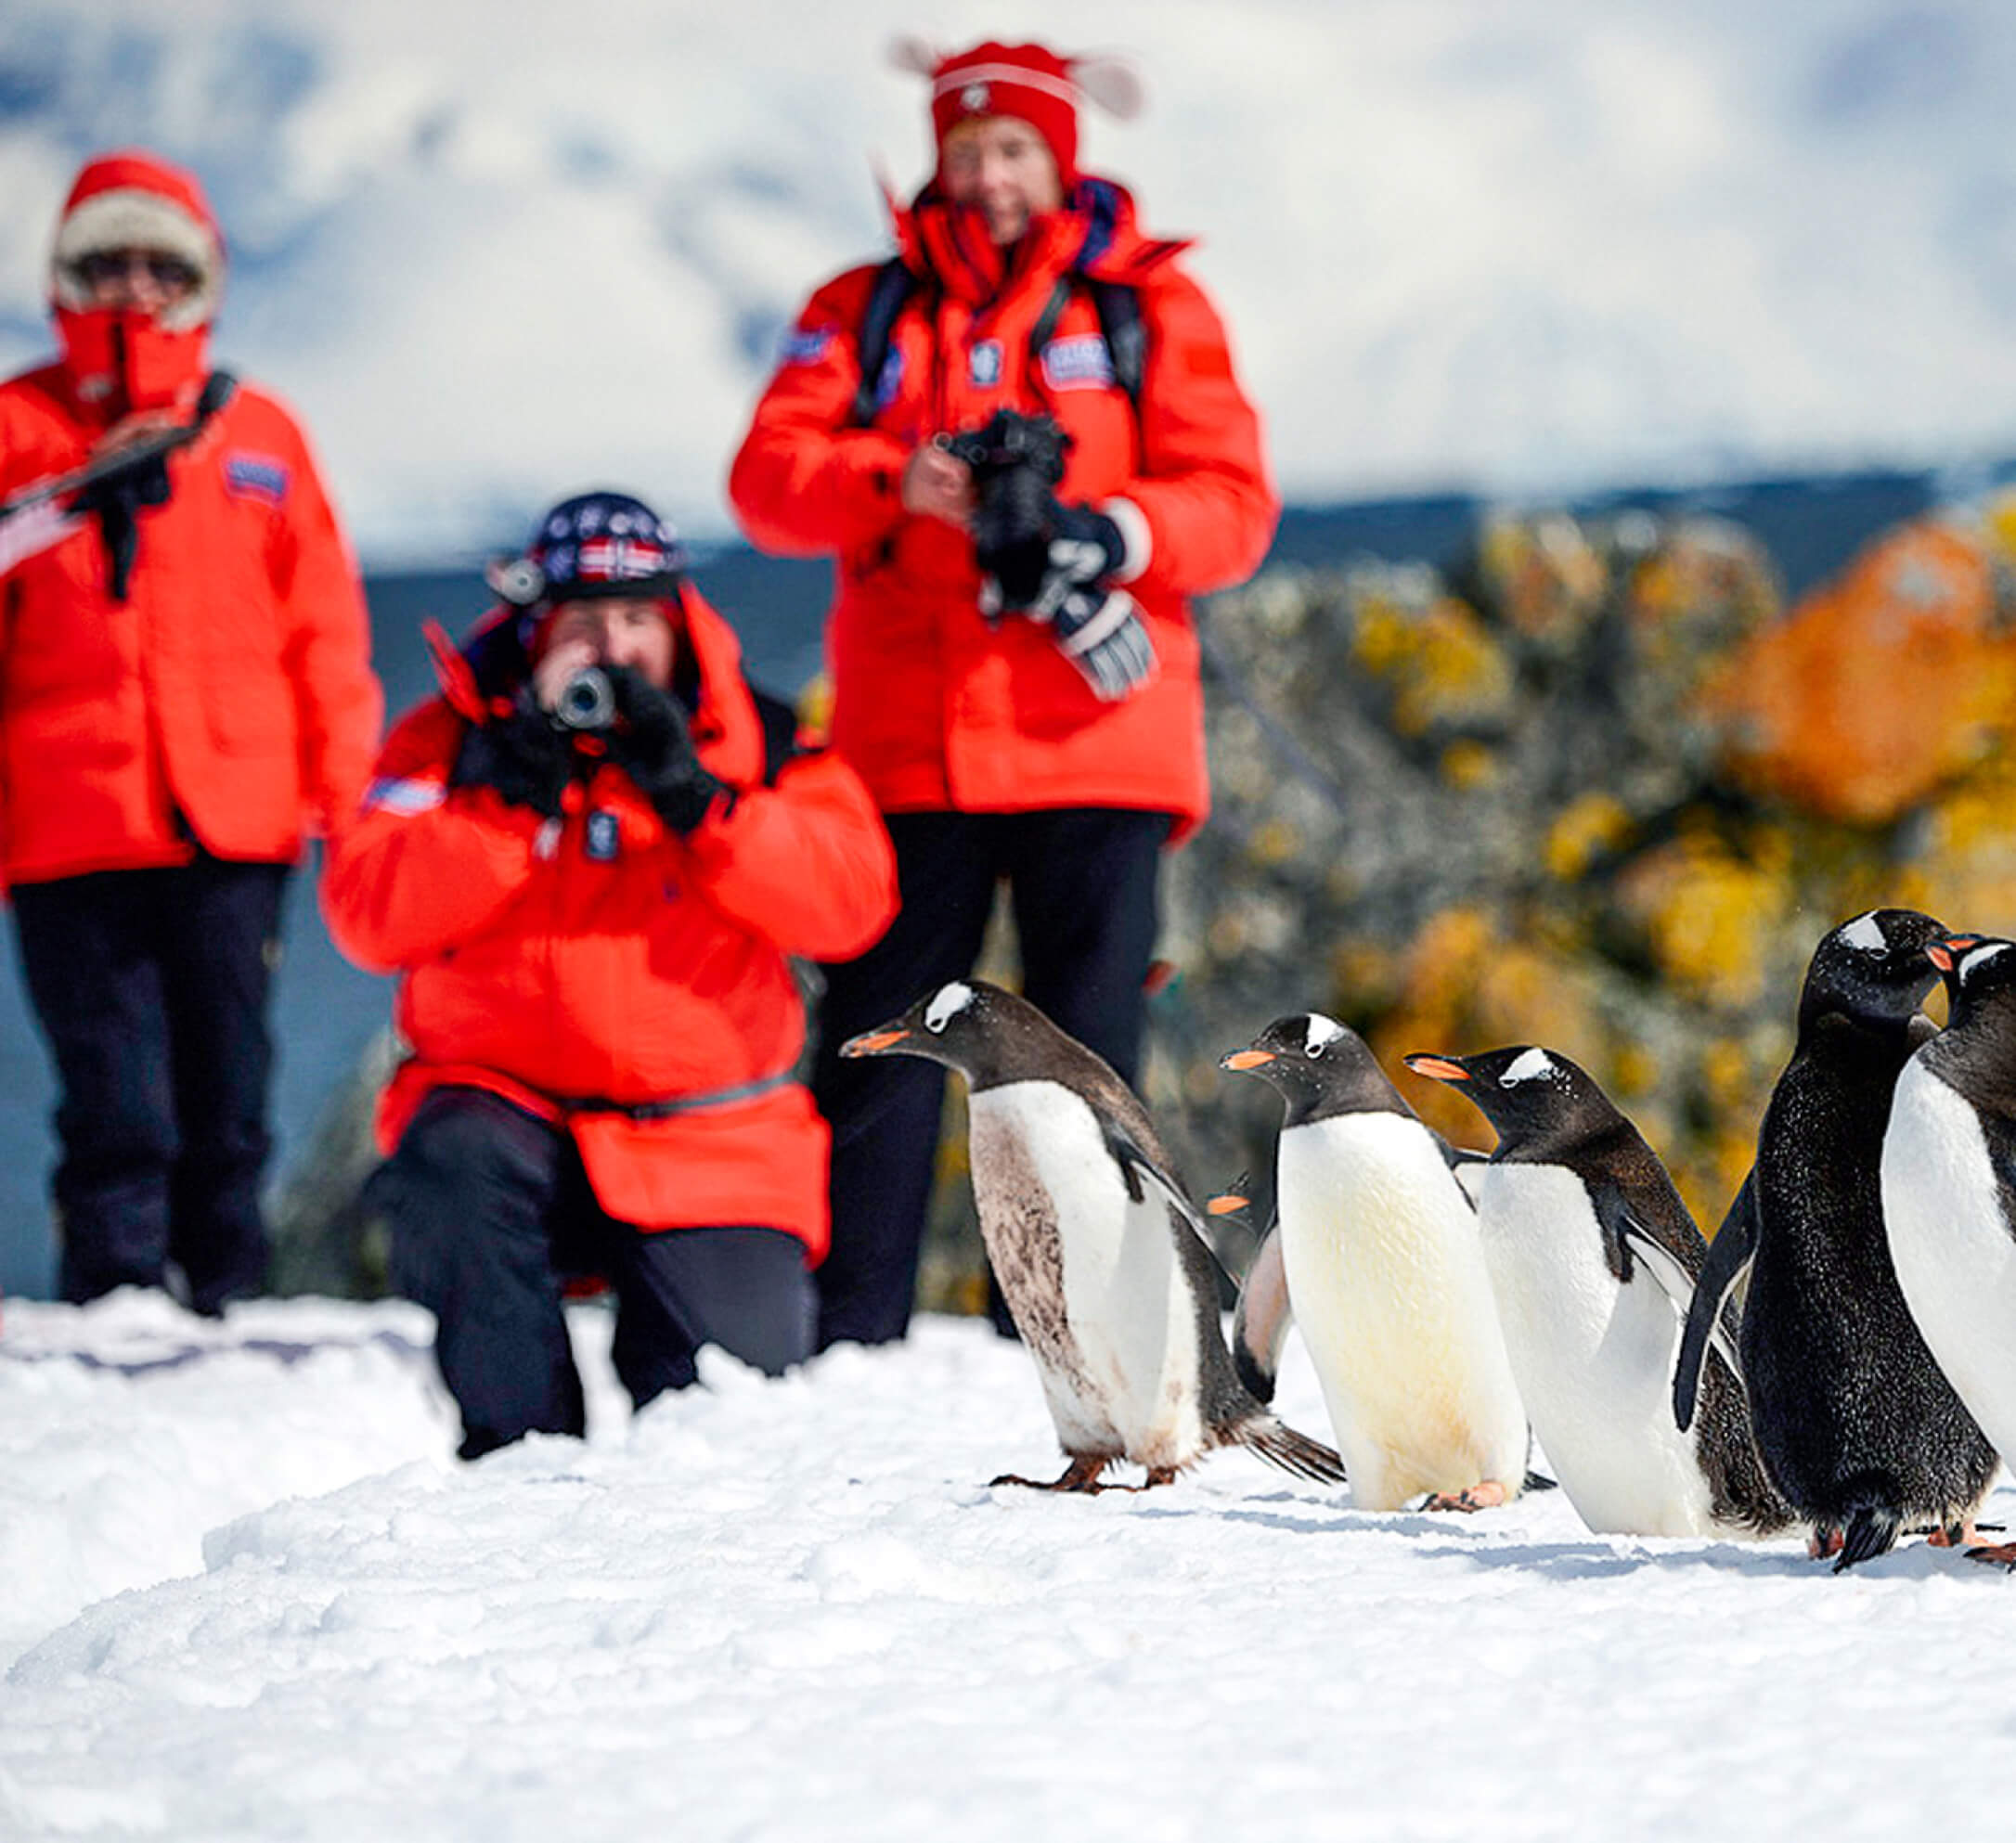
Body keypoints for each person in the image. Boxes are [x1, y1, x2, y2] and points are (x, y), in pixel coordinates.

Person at [729, 39, 1280, 1347]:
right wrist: (892, 478)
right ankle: (844, 1337)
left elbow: (1236, 505)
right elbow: (764, 480)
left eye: (1016, 148)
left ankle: (1070, 1333)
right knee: (877, 1043)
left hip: (1100, 741)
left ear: (1063, 155)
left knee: (1083, 1057)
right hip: (906, 748)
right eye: (966, 149)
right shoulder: (861, 311)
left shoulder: (1151, 310)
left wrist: (1110, 534)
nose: (989, 176)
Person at [322, 492, 898, 1458]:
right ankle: (521, 1461)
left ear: (678, 630)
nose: (611, 652)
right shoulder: (451, 743)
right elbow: (367, 912)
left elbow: (851, 906)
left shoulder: (759, 737)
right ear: (536, 633)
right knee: (448, 1165)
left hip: (711, 1139)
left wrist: (700, 803)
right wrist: (507, 803)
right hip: (508, 1124)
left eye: (637, 622)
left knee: (727, 1422)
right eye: (582, 625)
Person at [0, 148, 381, 1313]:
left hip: (236, 822)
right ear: (68, 279)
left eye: (156, 266)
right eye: (105, 264)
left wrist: (348, 807)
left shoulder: (259, 432)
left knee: (229, 1092)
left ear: (197, 280)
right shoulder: (17, 429)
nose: (133, 289)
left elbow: (324, 631)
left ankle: (226, 1309)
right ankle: (110, 1324)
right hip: (66, 827)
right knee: (111, 1102)